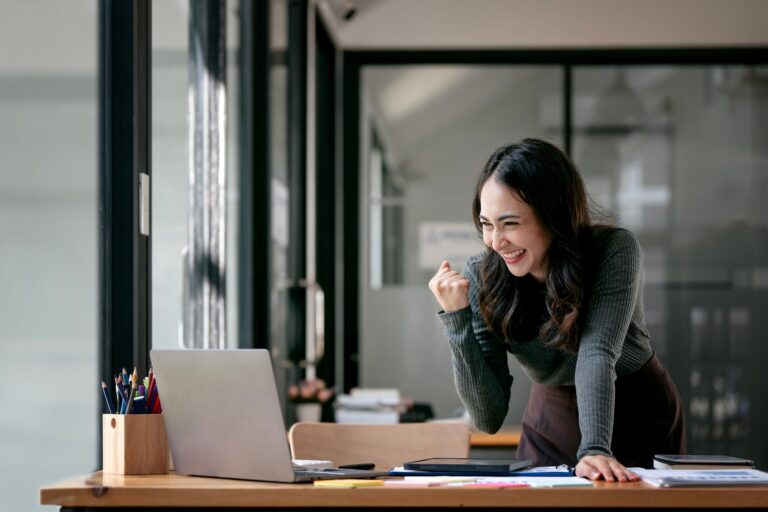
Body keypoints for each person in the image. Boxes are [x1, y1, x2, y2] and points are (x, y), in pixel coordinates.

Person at [428, 138, 685, 482]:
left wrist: (594, 449)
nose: (495, 241)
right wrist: (457, 319)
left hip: (638, 410)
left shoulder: (613, 250)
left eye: (511, 224)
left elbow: (596, 352)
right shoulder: (483, 274)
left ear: (553, 215)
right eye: (487, 224)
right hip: (550, 421)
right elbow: (487, 418)